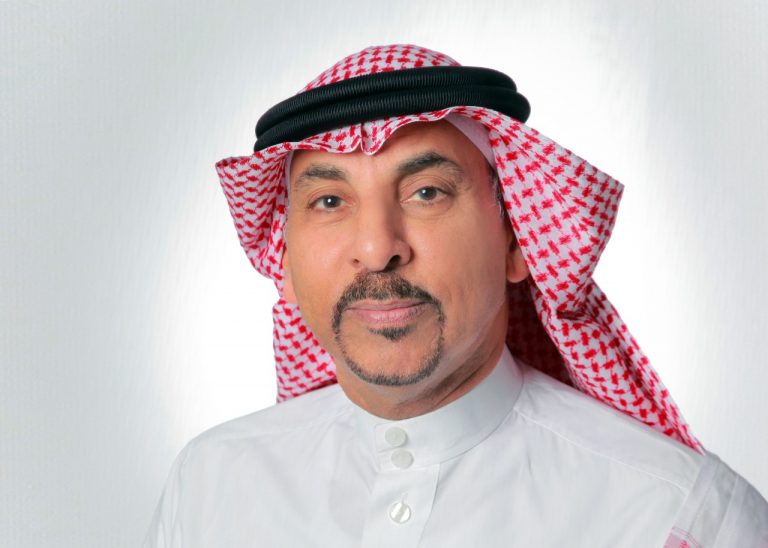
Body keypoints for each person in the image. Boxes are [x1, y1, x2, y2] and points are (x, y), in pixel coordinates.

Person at [144, 44, 768, 547]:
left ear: (517, 239)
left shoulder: (678, 517)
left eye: (427, 193)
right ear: (283, 261)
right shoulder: (208, 488)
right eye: (329, 201)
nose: (377, 248)